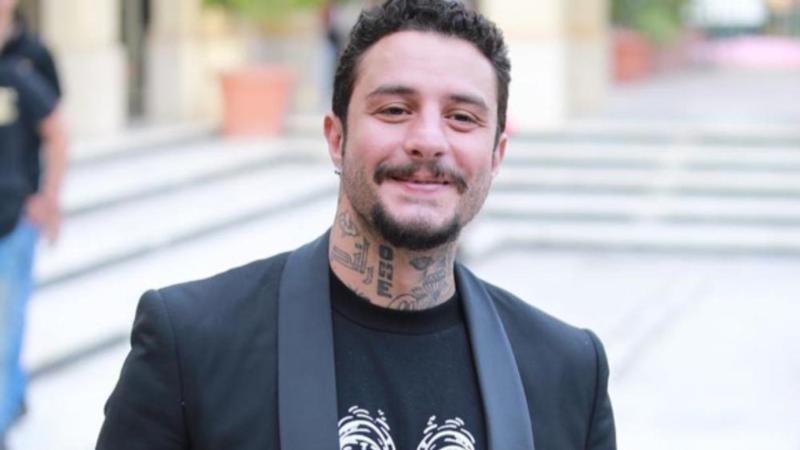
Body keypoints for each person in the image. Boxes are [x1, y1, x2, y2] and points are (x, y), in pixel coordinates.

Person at [97, 1, 616, 449]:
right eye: (394, 109)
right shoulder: (191, 344)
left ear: (497, 154)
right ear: (336, 138)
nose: (428, 140)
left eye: (462, 117)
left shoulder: (570, 371)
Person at [0, 58, 66, 449]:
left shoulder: (18, 71)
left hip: (11, 226)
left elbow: (57, 127)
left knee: (5, 332)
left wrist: (49, 199)